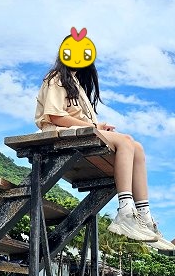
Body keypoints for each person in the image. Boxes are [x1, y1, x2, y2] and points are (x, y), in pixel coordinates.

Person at [35, 47, 161, 244]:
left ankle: (144, 215)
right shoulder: (56, 77)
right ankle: (125, 211)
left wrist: (97, 127)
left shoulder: (75, 83)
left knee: (137, 147)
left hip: (77, 134)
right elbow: (54, 115)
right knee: (126, 141)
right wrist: (94, 126)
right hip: (59, 135)